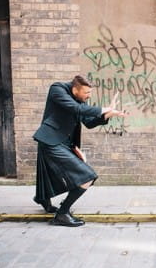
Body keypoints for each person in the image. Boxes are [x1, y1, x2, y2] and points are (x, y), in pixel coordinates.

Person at [33, 75, 127, 226]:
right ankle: (62, 214)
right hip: (51, 141)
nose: (88, 96)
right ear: (75, 89)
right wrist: (104, 108)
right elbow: (75, 108)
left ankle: (43, 199)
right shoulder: (57, 89)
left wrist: (109, 114)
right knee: (87, 177)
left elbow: (89, 122)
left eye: (90, 93)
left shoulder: (79, 100)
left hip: (64, 143)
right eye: (86, 93)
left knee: (49, 174)